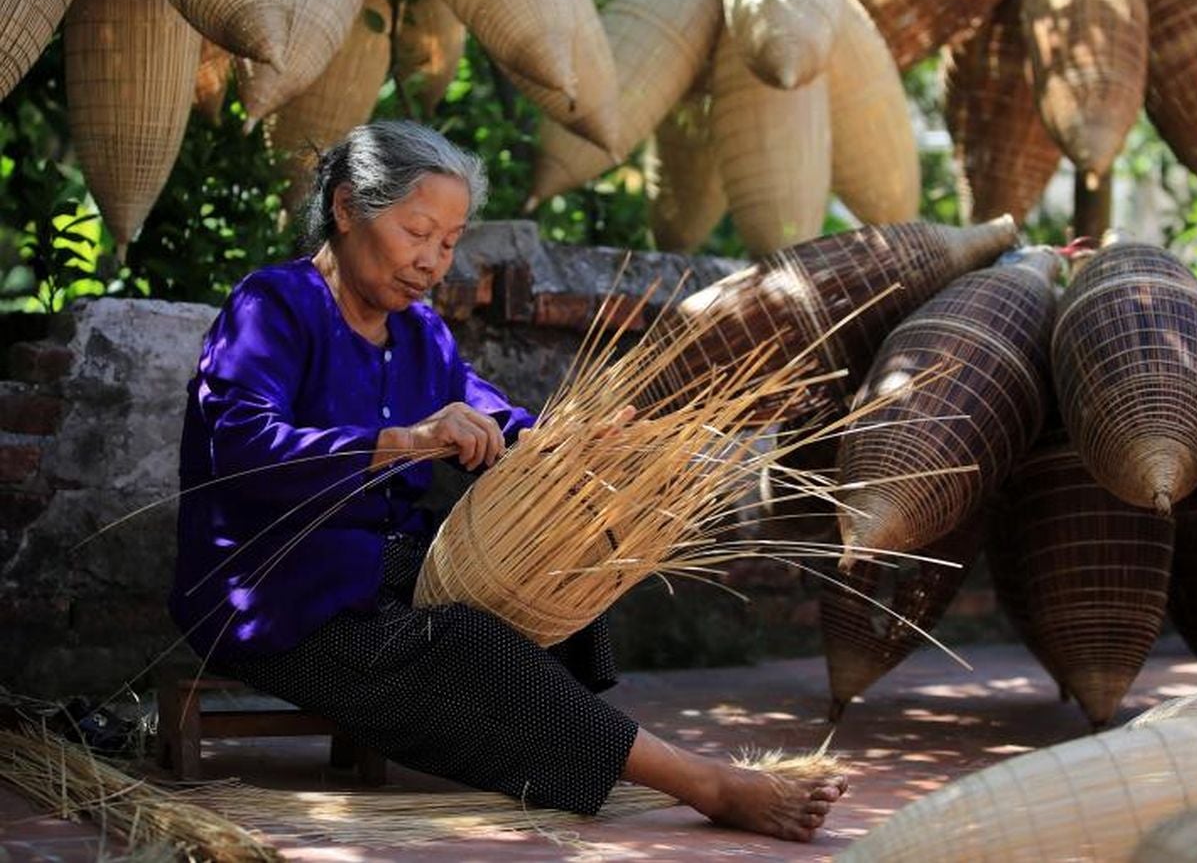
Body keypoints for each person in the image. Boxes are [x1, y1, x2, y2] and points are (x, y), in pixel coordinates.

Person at [170, 120, 845, 841]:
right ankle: (702, 782)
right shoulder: (272, 306)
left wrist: (568, 444)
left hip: (382, 568)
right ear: (345, 208)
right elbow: (245, 447)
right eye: (416, 231)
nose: (432, 260)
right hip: (275, 593)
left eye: (449, 242)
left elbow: (492, 415)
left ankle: (564, 739)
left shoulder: (421, 333)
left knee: (550, 576)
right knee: (463, 642)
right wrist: (403, 441)